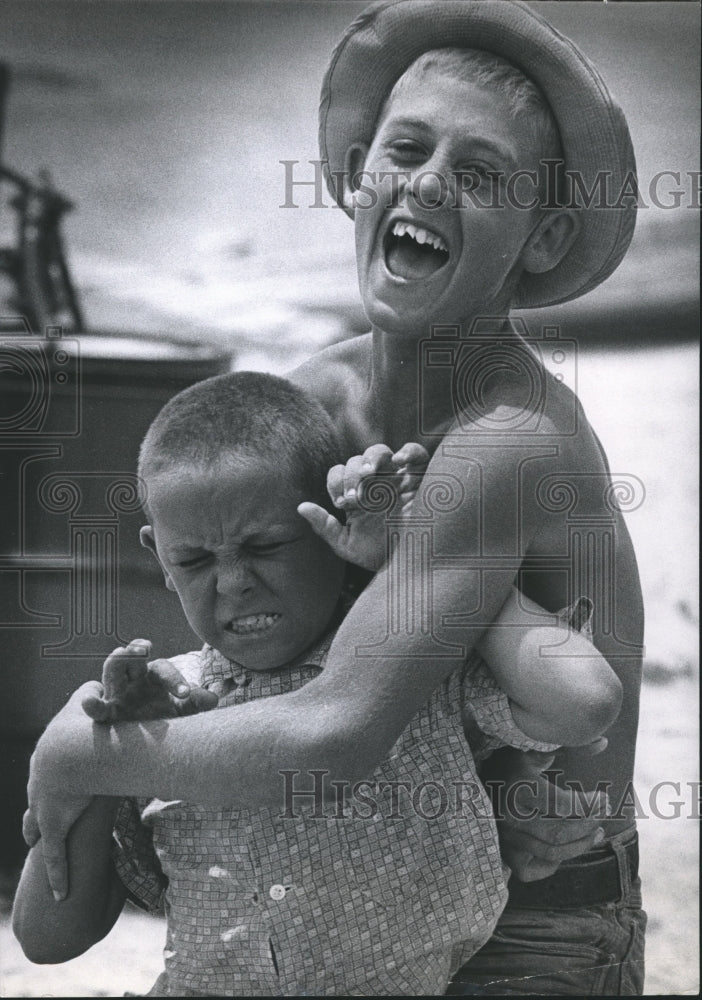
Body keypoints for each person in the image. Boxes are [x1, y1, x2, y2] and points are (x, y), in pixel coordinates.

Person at [20, 1, 646, 994]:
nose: (429, 182)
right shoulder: (311, 404)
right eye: (404, 149)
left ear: (544, 235)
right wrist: (150, 701)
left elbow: (341, 730)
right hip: (355, 893)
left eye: (479, 174)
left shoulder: (511, 441)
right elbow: (239, 637)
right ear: (358, 177)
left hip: (539, 922)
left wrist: (83, 754)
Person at [13, 371, 620, 996]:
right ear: (158, 558)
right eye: (193, 560)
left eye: (266, 545)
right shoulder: (163, 704)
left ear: (334, 527)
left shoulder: (402, 668)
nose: (232, 582)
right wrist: (108, 758)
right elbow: (49, 936)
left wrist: (416, 557)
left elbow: (584, 701)